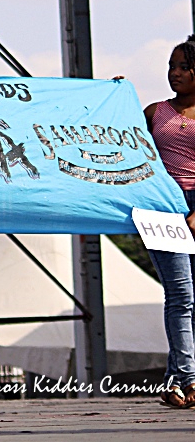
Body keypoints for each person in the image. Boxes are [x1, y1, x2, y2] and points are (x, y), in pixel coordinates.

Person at [144, 34, 195, 408]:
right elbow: (116, 140)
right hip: (162, 209)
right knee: (180, 296)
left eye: (183, 67)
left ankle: (176, 380)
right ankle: (190, 380)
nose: (174, 74)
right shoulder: (154, 112)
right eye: (171, 67)